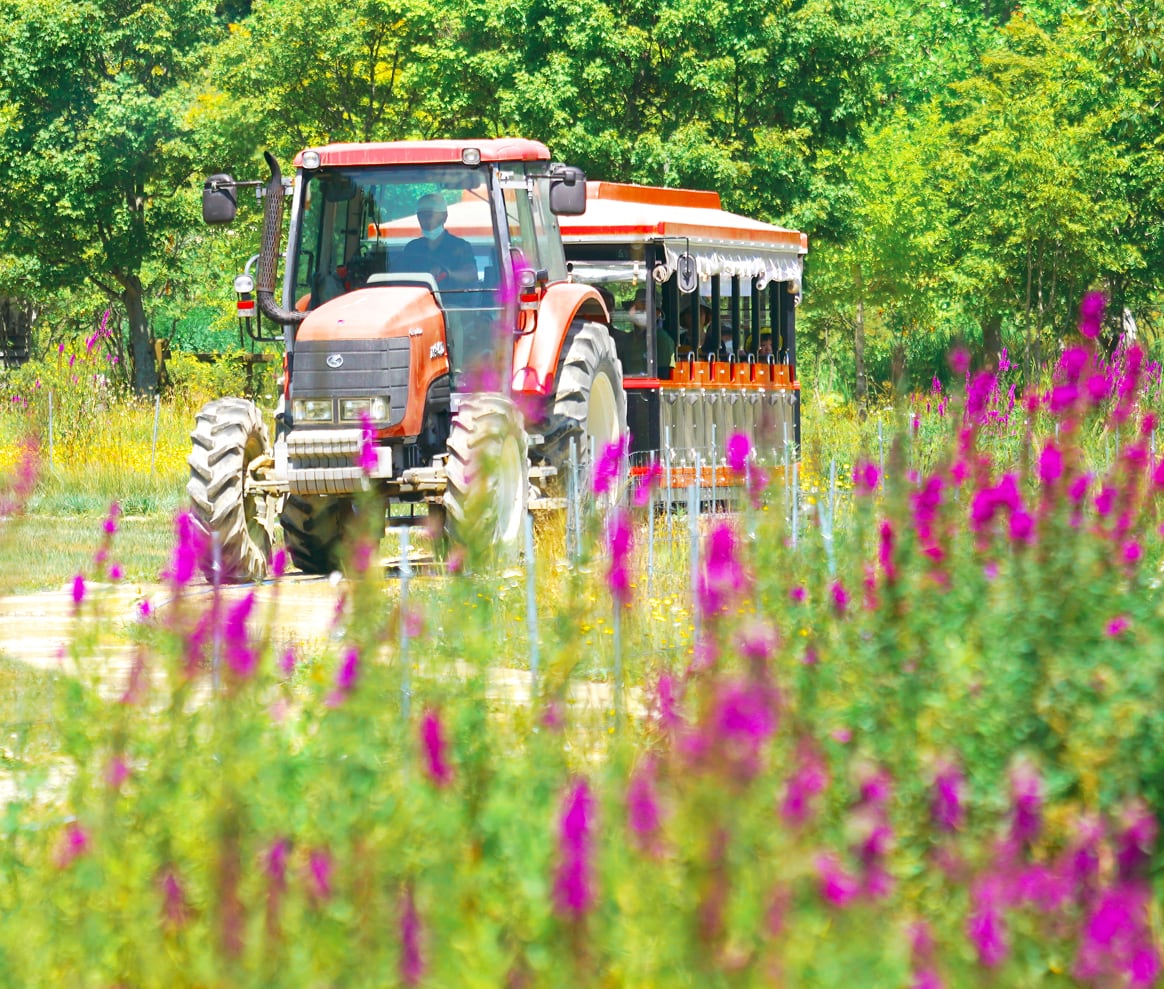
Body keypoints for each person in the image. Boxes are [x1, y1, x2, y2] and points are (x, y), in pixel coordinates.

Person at [395, 193, 478, 289]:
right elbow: (401, 278)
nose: (425, 220)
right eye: (421, 216)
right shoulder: (412, 248)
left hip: (452, 302)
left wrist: (448, 273)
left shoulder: (461, 246)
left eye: (430, 216)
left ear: (444, 217)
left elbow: (471, 274)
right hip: (418, 301)